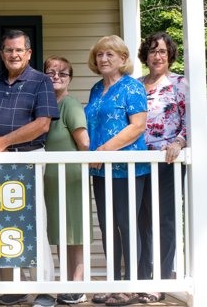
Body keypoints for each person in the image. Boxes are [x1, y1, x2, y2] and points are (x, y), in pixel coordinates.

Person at [0, 30, 59, 307]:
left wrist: (2, 141)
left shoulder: (40, 81)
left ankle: (45, 290)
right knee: (5, 225)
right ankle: (15, 286)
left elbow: (42, 124)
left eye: (19, 50)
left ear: (28, 53)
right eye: (8, 50)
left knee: (35, 224)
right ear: (1, 54)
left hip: (29, 158)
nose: (13, 55)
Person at [85, 35, 149, 306]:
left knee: (125, 224)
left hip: (128, 168)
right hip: (101, 171)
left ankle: (130, 284)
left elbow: (137, 126)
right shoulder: (96, 88)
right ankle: (112, 282)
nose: (104, 59)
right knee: (107, 227)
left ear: (123, 59)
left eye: (110, 54)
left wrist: (103, 150)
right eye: (100, 54)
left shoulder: (132, 87)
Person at [136, 32, 187, 304]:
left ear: (170, 56)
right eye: (153, 51)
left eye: (163, 52)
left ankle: (162, 281)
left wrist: (179, 141)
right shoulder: (134, 85)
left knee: (164, 222)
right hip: (137, 162)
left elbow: (192, 120)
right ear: (146, 55)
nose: (157, 56)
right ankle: (143, 280)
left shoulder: (180, 83)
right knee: (141, 222)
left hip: (167, 162)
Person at [42, 56, 90, 305]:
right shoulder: (46, 104)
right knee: (61, 230)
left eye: (62, 74)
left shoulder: (69, 104)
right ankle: (65, 283)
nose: (56, 77)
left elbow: (84, 143)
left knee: (76, 230)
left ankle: (78, 284)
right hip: (51, 178)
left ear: (70, 78)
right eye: (50, 73)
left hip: (70, 175)